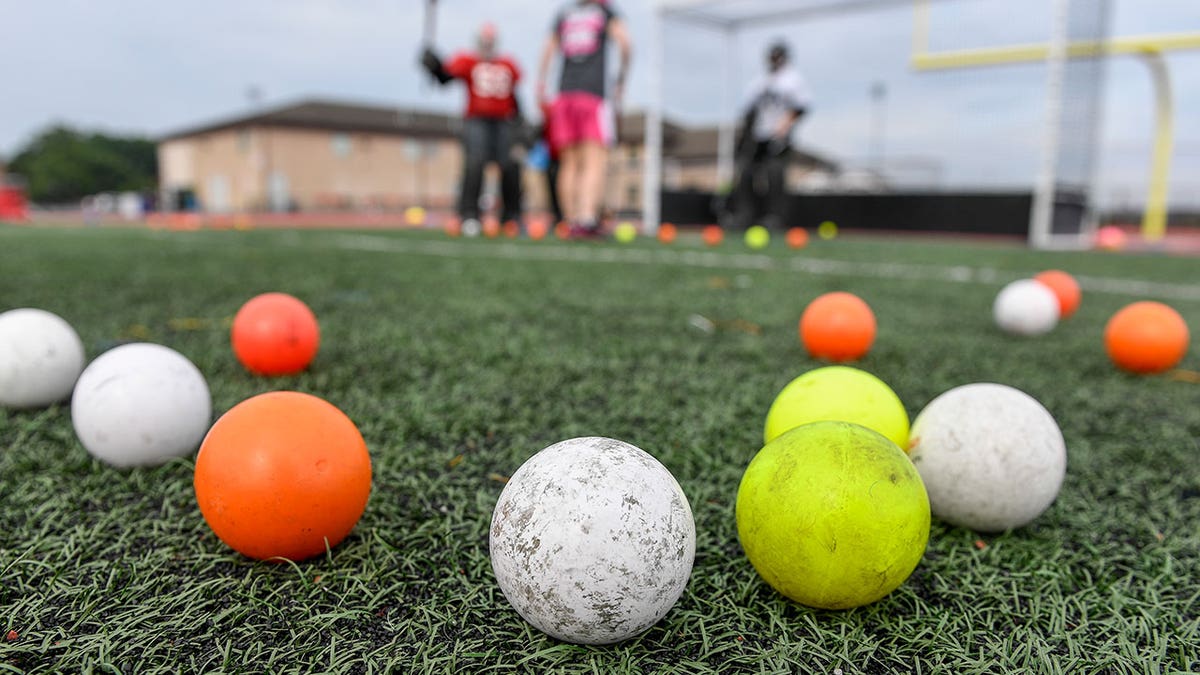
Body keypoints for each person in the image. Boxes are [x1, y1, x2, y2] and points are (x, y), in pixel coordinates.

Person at [537, 0, 632, 238]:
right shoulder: (606, 12)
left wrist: (541, 84)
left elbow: (548, 49)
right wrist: (621, 79)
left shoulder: (564, 14)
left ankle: (569, 222)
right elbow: (625, 44)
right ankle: (587, 220)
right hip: (592, 96)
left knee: (569, 163)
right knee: (595, 159)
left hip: (564, 96)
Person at [421, 23, 523, 234]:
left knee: (510, 165)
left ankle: (511, 216)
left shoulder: (507, 64)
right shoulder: (468, 61)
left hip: (503, 122)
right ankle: (469, 215)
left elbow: (514, 97)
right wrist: (434, 65)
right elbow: (445, 78)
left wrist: (521, 125)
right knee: (475, 163)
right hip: (476, 120)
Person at [728, 41, 811, 232]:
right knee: (745, 173)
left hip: (779, 136)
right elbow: (748, 108)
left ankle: (775, 218)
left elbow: (802, 106)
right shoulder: (761, 81)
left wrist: (784, 126)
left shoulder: (793, 80)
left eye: (777, 57)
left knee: (775, 175)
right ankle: (745, 216)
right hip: (758, 137)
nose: (774, 61)